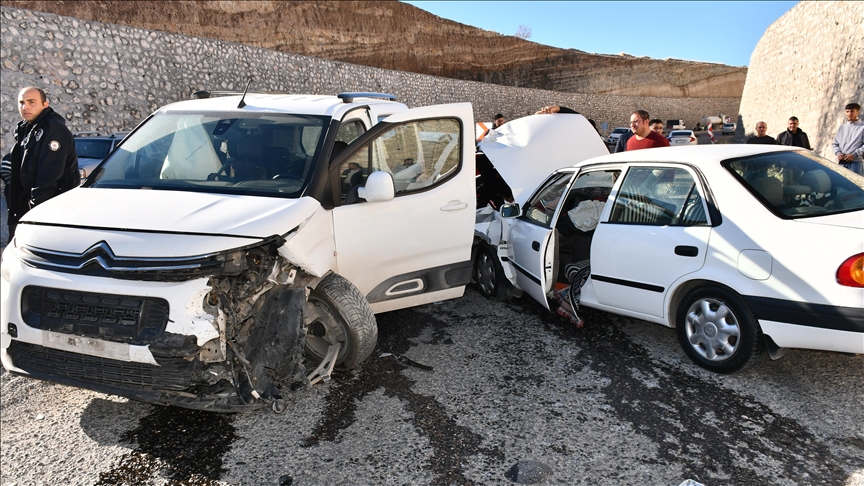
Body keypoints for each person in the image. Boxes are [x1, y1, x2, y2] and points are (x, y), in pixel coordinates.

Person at [7, 86, 78, 238]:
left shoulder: (53, 129)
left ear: (45, 104)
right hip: (24, 210)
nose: (25, 107)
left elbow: (48, 178)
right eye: (21, 102)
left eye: (32, 102)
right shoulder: (26, 129)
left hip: (47, 215)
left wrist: (34, 216)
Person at [831, 102, 864, 175]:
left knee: (855, 185)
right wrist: (838, 153)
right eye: (847, 111)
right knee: (840, 185)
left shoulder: (862, 127)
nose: (849, 113)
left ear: (858, 112)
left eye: (852, 111)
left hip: (855, 163)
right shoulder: (842, 127)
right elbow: (834, 144)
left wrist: (854, 154)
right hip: (842, 163)